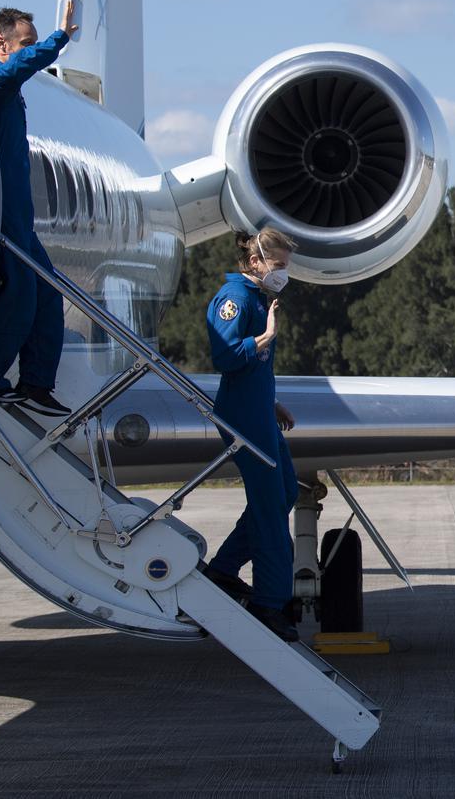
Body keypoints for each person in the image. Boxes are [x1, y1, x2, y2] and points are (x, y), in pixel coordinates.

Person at [0, 0, 77, 416]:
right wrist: (59, 38)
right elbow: (19, 67)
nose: (31, 50)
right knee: (20, 292)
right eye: (25, 42)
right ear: (2, 41)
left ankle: (35, 383)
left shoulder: (9, 84)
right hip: (3, 212)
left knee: (49, 292)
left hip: (21, 214)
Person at [201, 228, 300, 642]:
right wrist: (263, 337)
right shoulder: (236, 300)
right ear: (256, 261)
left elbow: (253, 365)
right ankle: (269, 604)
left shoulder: (257, 298)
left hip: (259, 412)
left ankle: (223, 571)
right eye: (278, 266)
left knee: (285, 493)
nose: (283, 274)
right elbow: (225, 355)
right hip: (242, 418)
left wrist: (270, 400)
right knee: (270, 507)